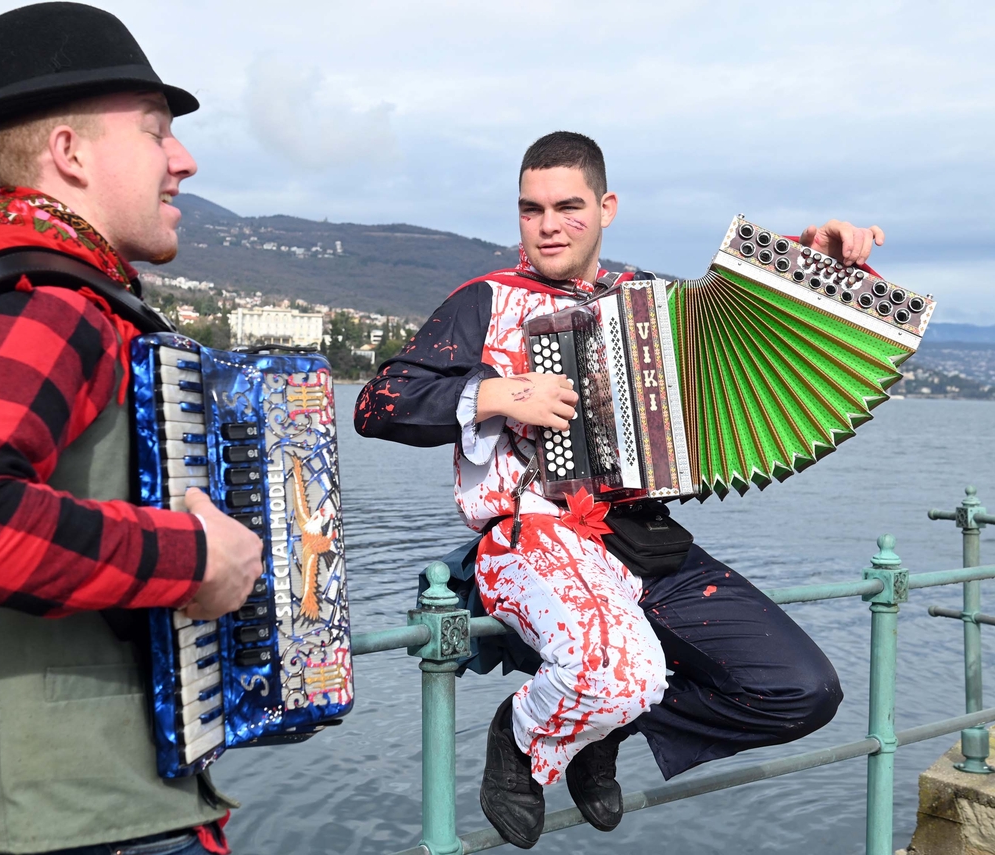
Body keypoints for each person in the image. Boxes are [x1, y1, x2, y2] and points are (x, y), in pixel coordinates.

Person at [355, 131, 885, 849]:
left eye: (568, 207)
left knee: (802, 691)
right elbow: (379, 403)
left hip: (641, 538)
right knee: (622, 673)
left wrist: (812, 258)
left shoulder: (646, 298)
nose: (547, 225)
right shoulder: (486, 301)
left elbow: (733, 313)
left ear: (606, 208)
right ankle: (522, 733)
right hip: (529, 536)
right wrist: (498, 392)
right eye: (531, 209)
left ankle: (596, 726)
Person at [0, 4, 264, 853]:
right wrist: (196, 557)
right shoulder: (46, 303)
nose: (184, 158)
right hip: (74, 823)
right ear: (69, 153)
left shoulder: (5, 283)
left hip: (54, 812)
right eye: (155, 131)